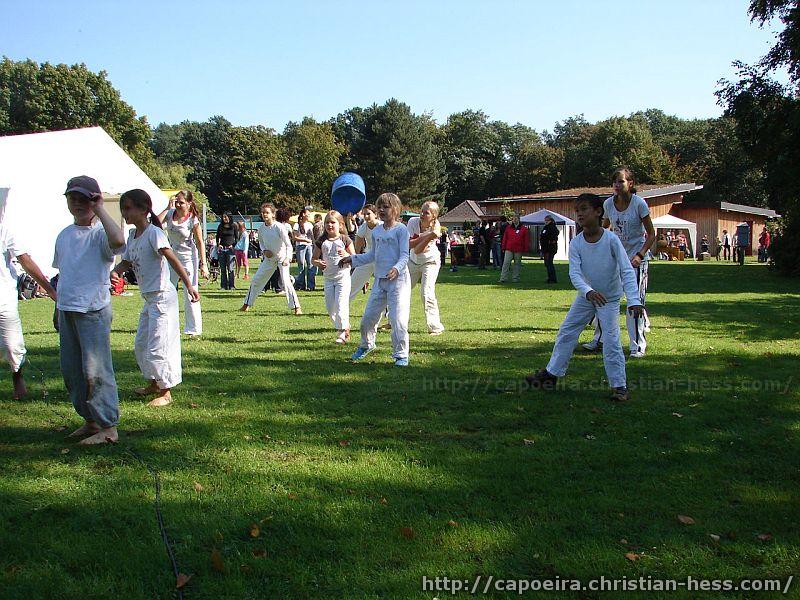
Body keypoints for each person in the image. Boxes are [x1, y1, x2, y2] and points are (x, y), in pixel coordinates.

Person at [526, 194, 643, 402]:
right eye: (577, 210)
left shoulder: (611, 240)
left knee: (611, 340)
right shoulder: (577, 243)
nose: (579, 214)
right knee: (567, 331)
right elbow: (575, 274)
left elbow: (626, 270)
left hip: (608, 299)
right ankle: (551, 375)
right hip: (586, 297)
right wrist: (588, 291)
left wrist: (633, 300)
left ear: (598, 212)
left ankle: (619, 386)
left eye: (584, 209)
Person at [54, 175, 126, 444]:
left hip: (93, 310)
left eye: (84, 198)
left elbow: (118, 242)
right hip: (67, 309)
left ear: (94, 200)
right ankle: (91, 421)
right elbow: (65, 274)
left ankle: (109, 427)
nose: (78, 203)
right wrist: (58, 307)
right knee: (72, 372)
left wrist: (100, 208)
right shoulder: (64, 235)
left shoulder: (100, 233)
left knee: (96, 371)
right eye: (72, 198)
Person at [112, 189, 199, 407]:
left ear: (143, 210)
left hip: (162, 298)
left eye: (128, 208)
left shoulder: (155, 234)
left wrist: (189, 285)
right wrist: (115, 272)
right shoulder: (133, 236)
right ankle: (153, 383)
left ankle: (166, 392)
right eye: (122, 209)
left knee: (160, 345)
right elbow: (127, 262)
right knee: (141, 344)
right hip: (149, 299)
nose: (124, 213)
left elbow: (173, 259)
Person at [582, 167, 655, 358]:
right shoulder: (608, 204)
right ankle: (600, 339)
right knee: (603, 298)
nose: (617, 185)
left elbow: (651, 234)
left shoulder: (639, 204)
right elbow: (604, 228)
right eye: (614, 181)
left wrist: (639, 255)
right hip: (616, 259)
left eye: (621, 181)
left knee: (634, 302)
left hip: (636, 260)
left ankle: (637, 345)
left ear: (630, 184)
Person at [339, 193, 411, 366]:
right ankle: (367, 345)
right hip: (380, 281)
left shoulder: (401, 230)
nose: (381, 210)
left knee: (398, 320)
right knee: (367, 319)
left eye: (386, 207)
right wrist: (353, 259)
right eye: (379, 207)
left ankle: (401, 355)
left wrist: (396, 268)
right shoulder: (376, 231)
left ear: (395, 209)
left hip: (398, 282)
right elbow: (372, 255)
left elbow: (405, 255)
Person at [1, 218, 57, 400]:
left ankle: (17, 376)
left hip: (4, 299)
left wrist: (49, 289)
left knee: (12, 345)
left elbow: (25, 261)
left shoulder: (5, 230)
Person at [157, 191, 208, 337]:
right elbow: (155, 224)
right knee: (166, 289)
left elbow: (200, 242)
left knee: (190, 290)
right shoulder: (170, 214)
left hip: (188, 258)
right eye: (177, 202)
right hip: (172, 257)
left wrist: (203, 264)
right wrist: (167, 208)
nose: (178, 205)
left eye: (181, 202)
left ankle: (193, 329)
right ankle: (165, 324)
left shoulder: (193, 220)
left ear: (189, 204)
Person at [240, 203, 302, 314]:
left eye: (267, 212)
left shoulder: (279, 227)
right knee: (256, 280)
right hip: (269, 259)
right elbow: (261, 243)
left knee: (286, 282)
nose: (265, 215)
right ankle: (247, 304)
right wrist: (264, 251)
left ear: (273, 214)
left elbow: (288, 245)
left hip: (282, 258)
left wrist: (288, 258)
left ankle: (297, 308)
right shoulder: (261, 229)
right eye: (263, 213)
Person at [312, 211, 354, 343]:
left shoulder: (345, 239)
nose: (329, 225)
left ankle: (342, 333)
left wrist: (346, 255)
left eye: (333, 222)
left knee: (341, 305)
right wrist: (318, 262)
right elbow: (314, 258)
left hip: (343, 277)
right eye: (327, 223)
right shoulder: (321, 241)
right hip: (328, 279)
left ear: (340, 224)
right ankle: (345, 326)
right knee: (331, 308)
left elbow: (355, 258)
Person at [406, 200, 445, 335]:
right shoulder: (412, 222)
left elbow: (418, 249)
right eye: (421, 211)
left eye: (426, 213)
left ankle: (435, 327)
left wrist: (427, 236)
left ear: (434, 216)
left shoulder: (436, 228)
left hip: (430, 262)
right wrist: (427, 235)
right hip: (412, 261)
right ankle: (394, 321)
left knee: (426, 293)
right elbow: (409, 245)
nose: (422, 214)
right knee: (400, 290)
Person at [350, 204, 382, 300]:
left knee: (382, 287)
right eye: (364, 214)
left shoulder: (382, 226)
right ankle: (341, 306)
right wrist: (355, 260)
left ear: (375, 214)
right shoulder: (363, 227)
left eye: (368, 214)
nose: (366, 216)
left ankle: (385, 308)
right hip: (368, 257)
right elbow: (357, 247)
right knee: (353, 284)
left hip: (382, 259)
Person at [499, 215, 529, 283]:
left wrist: (526, 249)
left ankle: (515, 278)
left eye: (516, 219)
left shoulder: (524, 229)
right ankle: (503, 278)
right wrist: (503, 247)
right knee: (506, 263)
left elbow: (526, 240)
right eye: (513, 219)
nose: (515, 220)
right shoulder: (508, 228)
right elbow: (505, 238)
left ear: (519, 219)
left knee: (517, 264)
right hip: (509, 248)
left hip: (518, 249)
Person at [215, 213, 239, 290]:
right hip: (222, 250)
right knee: (223, 269)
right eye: (223, 217)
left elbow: (237, 238)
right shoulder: (220, 226)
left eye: (226, 217)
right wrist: (218, 245)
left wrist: (233, 245)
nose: (225, 218)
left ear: (229, 217)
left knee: (230, 268)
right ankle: (223, 286)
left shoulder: (234, 226)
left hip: (230, 250)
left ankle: (231, 286)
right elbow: (217, 237)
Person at [292, 208, 315, 291]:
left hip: (309, 246)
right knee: (301, 266)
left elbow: (312, 236)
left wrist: (315, 245)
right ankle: (301, 285)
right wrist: (305, 240)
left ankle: (310, 286)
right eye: (308, 214)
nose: (309, 216)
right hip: (300, 246)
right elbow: (294, 237)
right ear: (303, 214)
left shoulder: (310, 225)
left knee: (310, 265)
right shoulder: (296, 225)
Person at [540, 215, 559, 283]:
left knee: (549, 263)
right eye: (545, 220)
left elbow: (554, 235)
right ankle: (550, 277)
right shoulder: (546, 227)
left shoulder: (552, 227)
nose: (546, 222)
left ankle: (552, 279)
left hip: (549, 248)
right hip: (546, 248)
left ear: (550, 220)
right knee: (547, 263)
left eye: (547, 220)